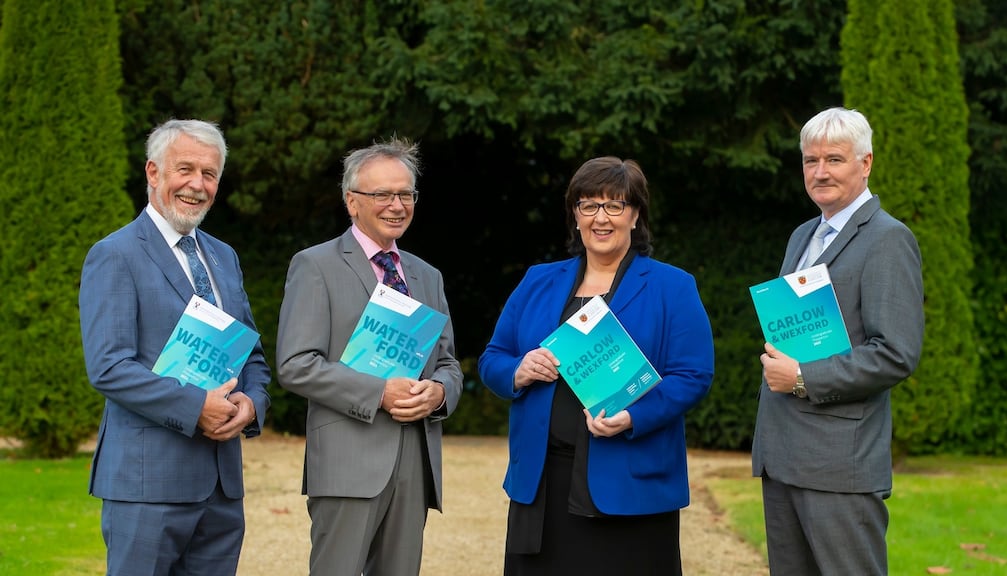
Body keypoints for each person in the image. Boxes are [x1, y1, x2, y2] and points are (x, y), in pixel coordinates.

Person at [478, 156, 715, 575]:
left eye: (614, 205)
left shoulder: (672, 286)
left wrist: (633, 417)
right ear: (575, 214)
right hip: (544, 484)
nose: (600, 218)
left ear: (635, 215)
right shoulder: (538, 280)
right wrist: (519, 370)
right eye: (588, 205)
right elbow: (492, 359)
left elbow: (693, 375)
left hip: (630, 482)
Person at [79, 119, 272, 575]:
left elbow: (252, 355)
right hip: (147, 485)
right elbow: (109, 366)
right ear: (153, 173)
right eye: (185, 169)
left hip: (222, 487)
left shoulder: (224, 256)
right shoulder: (115, 254)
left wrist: (252, 404)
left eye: (209, 174)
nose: (197, 185)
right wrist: (194, 407)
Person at [276, 136, 464, 576]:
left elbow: (449, 363)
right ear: (352, 201)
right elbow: (295, 364)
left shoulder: (426, 275)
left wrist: (437, 394)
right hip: (346, 463)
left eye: (405, 194)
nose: (396, 204)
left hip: (414, 465)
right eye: (381, 194)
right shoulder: (315, 265)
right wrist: (380, 392)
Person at [752, 107, 925, 575]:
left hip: (838, 465)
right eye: (811, 161)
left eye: (834, 159)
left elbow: (896, 353)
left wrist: (804, 377)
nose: (820, 172)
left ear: (865, 163)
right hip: (784, 455)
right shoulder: (803, 235)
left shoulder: (889, 239)